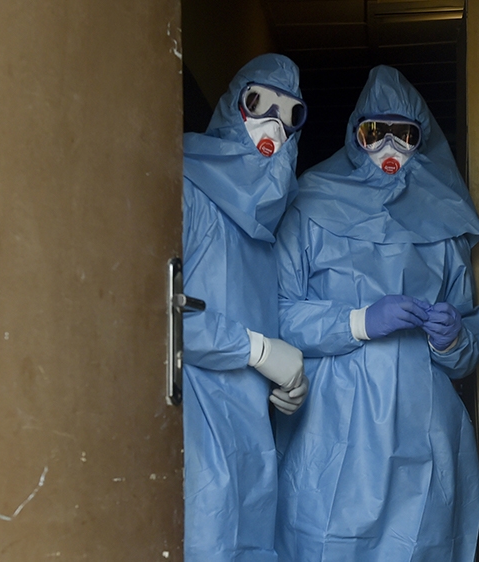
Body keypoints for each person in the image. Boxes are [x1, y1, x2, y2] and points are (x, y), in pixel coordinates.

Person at [272, 65, 479, 561]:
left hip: (424, 430)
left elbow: (468, 349)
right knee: (323, 539)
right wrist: (357, 321)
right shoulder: (309, 205)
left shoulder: (443, 225)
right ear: (355, 136)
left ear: (422, 140)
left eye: (404, 134)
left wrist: (453, 338)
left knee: (420, 543)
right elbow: (277, 314)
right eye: (375, 133)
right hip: (329, 428)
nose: (389, 148)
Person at [182, 54, 311, 562]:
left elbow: (269, 315)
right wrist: (256, 350)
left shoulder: (268, 224)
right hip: (196, 419)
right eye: (260, 104)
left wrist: (288, 382)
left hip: (253, 437)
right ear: (233, 105)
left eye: (290, 114)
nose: (273, 125)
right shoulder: (186, 186)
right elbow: (157, 314)